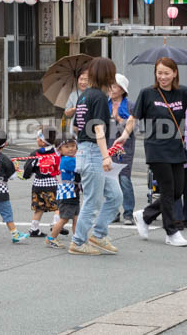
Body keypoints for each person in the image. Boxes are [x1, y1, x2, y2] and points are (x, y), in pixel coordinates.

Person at [119, 57, 187, 248]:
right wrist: (124, 135)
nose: (162, 77)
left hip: (176, 148)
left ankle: (145, 215)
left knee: (177, 190)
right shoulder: (148, 93)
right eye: (159, 73)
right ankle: (172, 232)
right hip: (156, 148)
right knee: (168, 189)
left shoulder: (182, 92)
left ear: (174, 73)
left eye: (166, 73)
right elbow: (133, 117)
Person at [68, 57, 122, 255]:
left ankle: (98, 234)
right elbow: (98, 129)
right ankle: (79, 241)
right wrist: (105, 156)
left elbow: (77, 126)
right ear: (106, 75)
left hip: (87, 150)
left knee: (116, 196)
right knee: (93, 200)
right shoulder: (97, 96)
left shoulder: (84, 96)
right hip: (93, 152)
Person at [23, 125, 60, 238]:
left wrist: (26, 175)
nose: (37, 140)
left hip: (38, 184)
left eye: (38, 138)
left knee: (39, 207)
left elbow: (28, 168)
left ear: (43, 142)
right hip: (51, 184)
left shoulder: (35, 153)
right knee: (58, 206)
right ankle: (55, 223)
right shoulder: (57, 152)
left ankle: (34, 228)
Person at [109, 73, 136, 224]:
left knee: (124, 179)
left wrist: (118, 118)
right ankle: (113, 211)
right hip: (107, 145)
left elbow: (134, 128)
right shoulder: (104, 103)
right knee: (110, 180)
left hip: (125, 147)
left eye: (114, 85)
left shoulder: (130, 105)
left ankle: (128, 212)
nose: (111, 89)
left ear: (121, 89)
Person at [46, 139, 79, 248]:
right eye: (67, 147)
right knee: (64, 218)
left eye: (73, 146)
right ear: (59, 150)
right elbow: (81, 167)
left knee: (76, 218)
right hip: (67, 193)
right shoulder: (67, 160)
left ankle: (78, 239)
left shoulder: (70, 158)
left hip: (73, 192)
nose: (71, 149)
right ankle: (51, 238)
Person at [63, 68, 90, 133]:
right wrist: (75, 108)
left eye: (86, 80)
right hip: (75, 130)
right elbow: (67, 113)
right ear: (77, 80)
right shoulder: (73, 95)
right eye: (81, 79)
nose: (83, 82)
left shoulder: (93, 94)